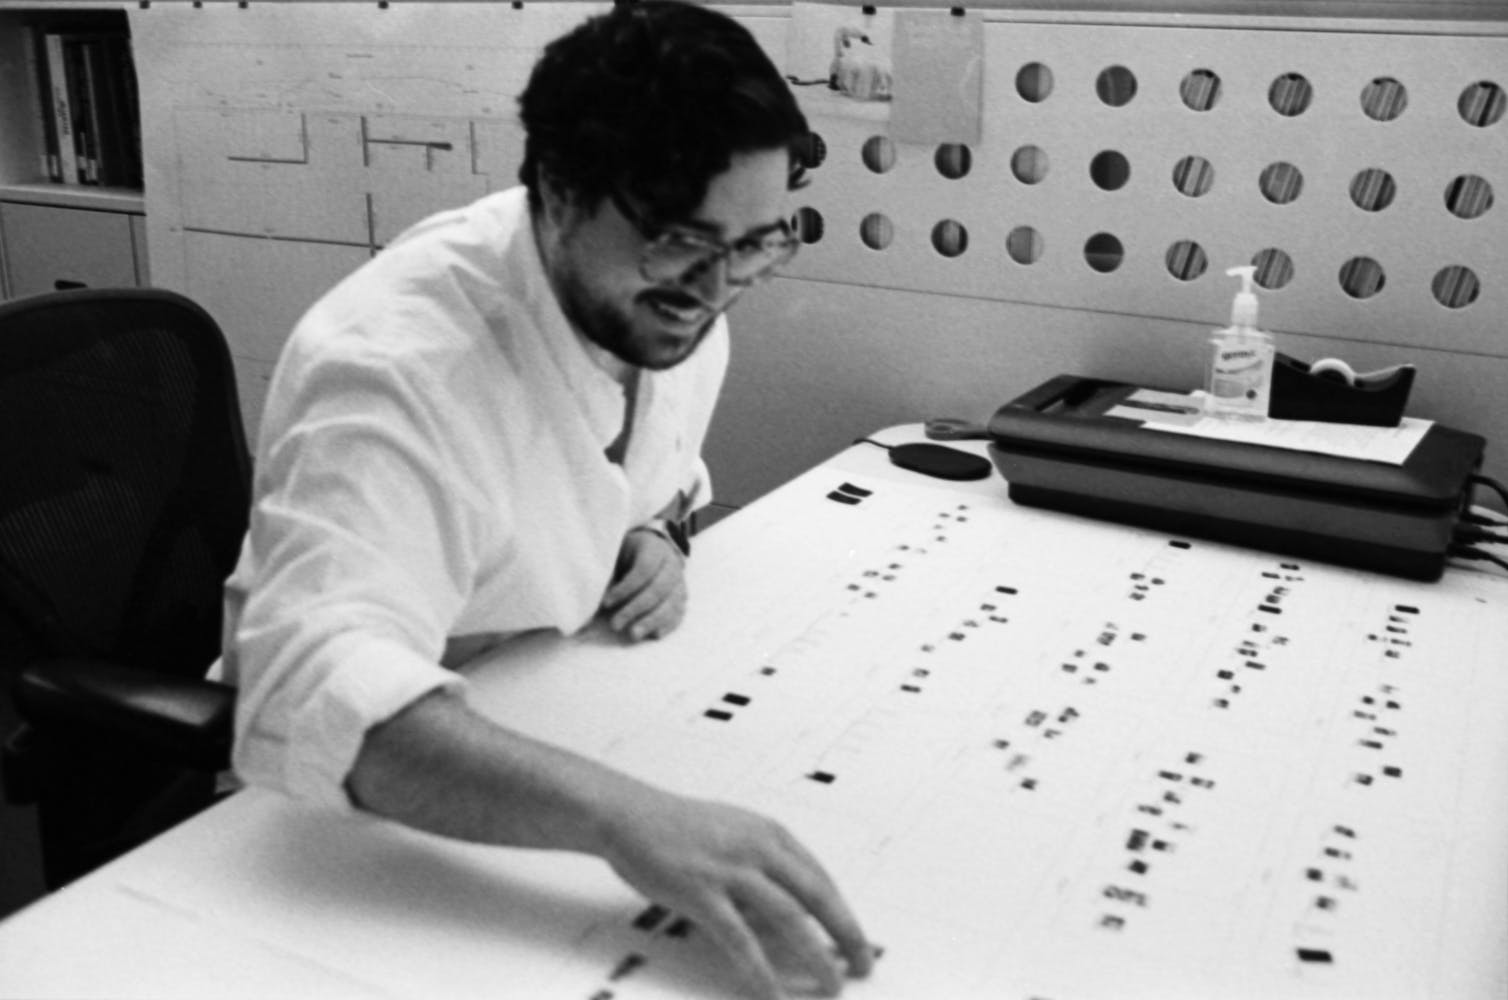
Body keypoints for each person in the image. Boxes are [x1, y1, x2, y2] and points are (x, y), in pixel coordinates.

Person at [216, 2, 873, 997]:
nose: (716, 286)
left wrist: (654, 531)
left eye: (754, 244)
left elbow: (625, 473)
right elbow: (319, 690)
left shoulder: (665, 302)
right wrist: (627, 818)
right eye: (681, 243)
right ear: (559, 194)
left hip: (545, 704)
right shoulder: (397, 367)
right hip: (337, 826)